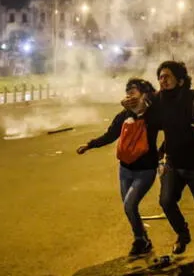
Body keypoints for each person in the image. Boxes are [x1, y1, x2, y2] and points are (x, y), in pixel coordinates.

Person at [77, 78, 160, 259]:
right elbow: (110, 135)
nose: (130, 94)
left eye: (134, 91)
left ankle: (139, 239)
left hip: (145, 170)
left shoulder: (152, 114)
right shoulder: (123, 115)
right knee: (129, 207)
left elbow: (163, 119)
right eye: (128, 91)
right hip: (125, 169)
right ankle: (143, 240)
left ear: (144, 94)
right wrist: (90, 145)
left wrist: (142, 106)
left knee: (130, 205)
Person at [150, 61, 194, 256]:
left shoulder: (193, 98)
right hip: (173, 162)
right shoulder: (158, 100)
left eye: (167, 76)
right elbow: (161, 126)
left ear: (181, 80)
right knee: (166, 201)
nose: (163, 80)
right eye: (160, 76)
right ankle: (182, 234)